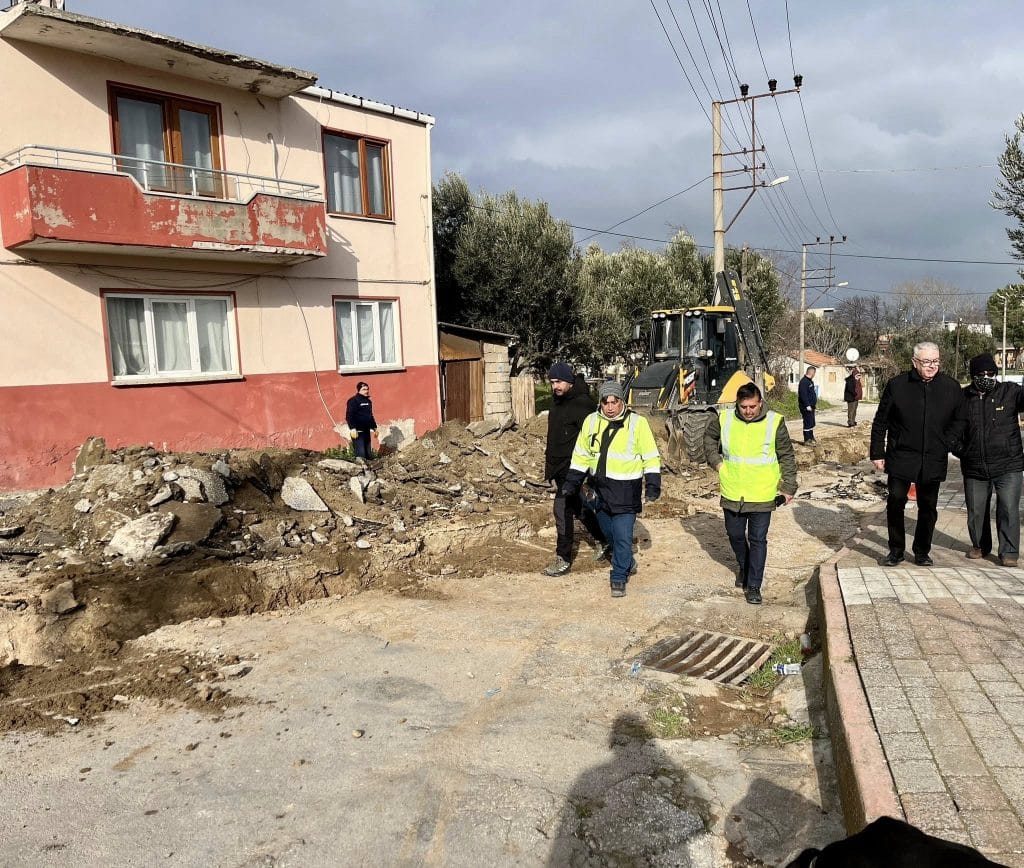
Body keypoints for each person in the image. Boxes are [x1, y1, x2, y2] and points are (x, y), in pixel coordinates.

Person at [561, 381, 661, 598]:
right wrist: (572, 482)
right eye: (605, 402)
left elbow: (650, 456)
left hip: (626, 490)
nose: (610, 407)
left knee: (623, 536)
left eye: (614, 402)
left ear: (622, 402)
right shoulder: (591, 421)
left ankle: (618, 576)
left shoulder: (637, 423)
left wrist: (653, 484)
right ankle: (626, 560)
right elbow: (581, 455)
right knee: (610, 533)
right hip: (600, 491)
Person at [870, 342, 966, 567]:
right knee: (895, 501)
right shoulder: (897, 385)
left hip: (933, 456)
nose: (932, 366)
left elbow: (961, 419)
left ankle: (922, 551)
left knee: (928, 507)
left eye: (935, 361)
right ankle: (896, 550)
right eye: (926, 362)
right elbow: (880, 421)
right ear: (915, 363)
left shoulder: (951, 387)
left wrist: (947, 441)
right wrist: (877, 452)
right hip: (901, 454)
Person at [703, 382, 797, 605]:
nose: (748, 411)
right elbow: (709, 440)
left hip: (763, 493)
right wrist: (717, 464)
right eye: (743, 407)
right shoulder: (724, 418)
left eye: (752, 406)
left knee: (758, 540)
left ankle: (754, 585)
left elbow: (786, 456)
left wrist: (789, 487)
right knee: (735, 535)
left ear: (760, 402)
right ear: (738, 404)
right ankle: (744, 567)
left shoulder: (775, 422)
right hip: (732, 490)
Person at [956, 352, 1024, 567]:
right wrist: (961, 450)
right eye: (982, 374)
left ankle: (1009, 551)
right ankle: (979, 545)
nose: (987, 377)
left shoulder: (1010, 392)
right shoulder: (962, 398)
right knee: (976, 511)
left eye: (991, 373)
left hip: (1008, 465)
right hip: (974, 466)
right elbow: (951, 429)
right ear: (973, 375)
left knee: (1008, 508)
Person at [541, 362, 609, 576]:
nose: (555, 386)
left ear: (569, 381)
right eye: (552, 382)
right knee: (579, 508)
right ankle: (605, 539)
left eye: (559, 382)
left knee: (561, 509)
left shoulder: (583, 405)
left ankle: (563, 559)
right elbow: (555, 438)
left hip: (575, 468)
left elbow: (594, 439)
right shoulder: (557, 402)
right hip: (559, 468)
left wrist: (589, 472)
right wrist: (550, 468)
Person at [345, 381, 377, 460]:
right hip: (357, 432)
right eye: (364, 389)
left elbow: (370, 416)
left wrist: (374, 427)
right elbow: (349, 415)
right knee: (361, 454)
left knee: (368, 454)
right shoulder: (353, 401)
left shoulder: (368, 401)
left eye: (367, 389)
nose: (366, 391)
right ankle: (360, 470)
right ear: (359, 390)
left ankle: (369, 470)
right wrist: (352, 428)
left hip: (366, 431)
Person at [798, 366, 818, 443]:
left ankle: (811, 437)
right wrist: (807, 405)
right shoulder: (804, 382)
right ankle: (807, 439)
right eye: (814, 373)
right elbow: (803, 395)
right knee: (807, 422)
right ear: (812, 373)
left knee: (811, 422)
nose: (814, 375)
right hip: (806, 407)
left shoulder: (810, 381)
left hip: (811, 406)